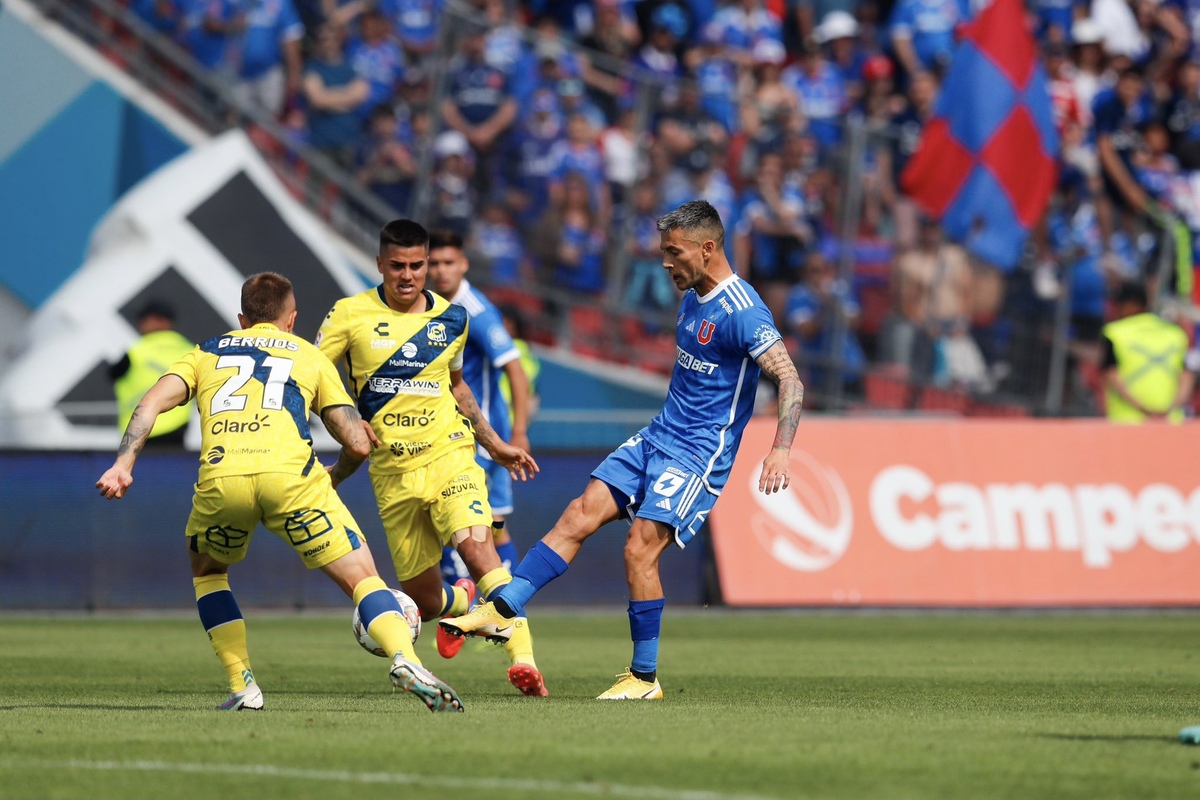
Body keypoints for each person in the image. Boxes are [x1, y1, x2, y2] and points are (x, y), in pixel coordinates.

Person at [441, 200, 804, 700]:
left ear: (708, 247)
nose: (665, 262)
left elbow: (788, 376)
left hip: (698, 453)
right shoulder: (693, 294)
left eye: (673, 252)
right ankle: (502, 610)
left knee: (639, 547)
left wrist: (780, 448)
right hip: (658, 436)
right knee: (579, 513)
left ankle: (644, 678)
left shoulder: (743, 311)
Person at [96, 273, 464, 713]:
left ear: (241, 319)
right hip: (292, 479)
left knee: (209, 572)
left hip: (224, 479)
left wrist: (123, 464)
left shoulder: (206, 352)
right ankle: (405, 659)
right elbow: (359, 443)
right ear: (291, 320)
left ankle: (243, 685)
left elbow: (150, 403)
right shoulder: (308, 355)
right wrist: (335, 476)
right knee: (363, 578)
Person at [316, 219, 548, 697]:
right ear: (380, 265)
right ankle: (460, 601)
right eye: (397, 266)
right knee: (421, 598)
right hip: (392, 472)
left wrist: (493, 442)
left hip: (450, 455)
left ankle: (523, 659)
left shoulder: (452, 319)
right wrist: (344, 424)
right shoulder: (348, 314)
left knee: (478, 549)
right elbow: (313, 375)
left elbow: (458, 387)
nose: (408, 275)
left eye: (417, 266)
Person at [426, 230, 532, 628]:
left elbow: (516, 370)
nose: (440, 271)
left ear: (464, 264)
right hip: (451, 436)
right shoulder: (433, 306)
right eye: (434, 263)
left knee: (478, 531)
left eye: (448, 262)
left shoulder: (476, 311)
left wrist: (518, 432)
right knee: (488, 531)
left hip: (479, 440)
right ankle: (503, 613)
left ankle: (482, 608)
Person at [1100, 282, 1196, 422]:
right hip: (1170, 422)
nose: (1115, 309)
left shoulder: (1114, 332)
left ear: (1131, 304)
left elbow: (1112, 376)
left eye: (1119, 304)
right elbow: (1186, 376)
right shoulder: (1175, 333)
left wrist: (1145, 409)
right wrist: (1169, 409)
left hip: (1127, 422)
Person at [109, 301, 195, 449]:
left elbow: (112, 374)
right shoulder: (190, 350)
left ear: (157, 320)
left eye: (144, 320)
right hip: (177, 428)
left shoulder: (137, 351)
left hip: (139, 429)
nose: (140, 325)